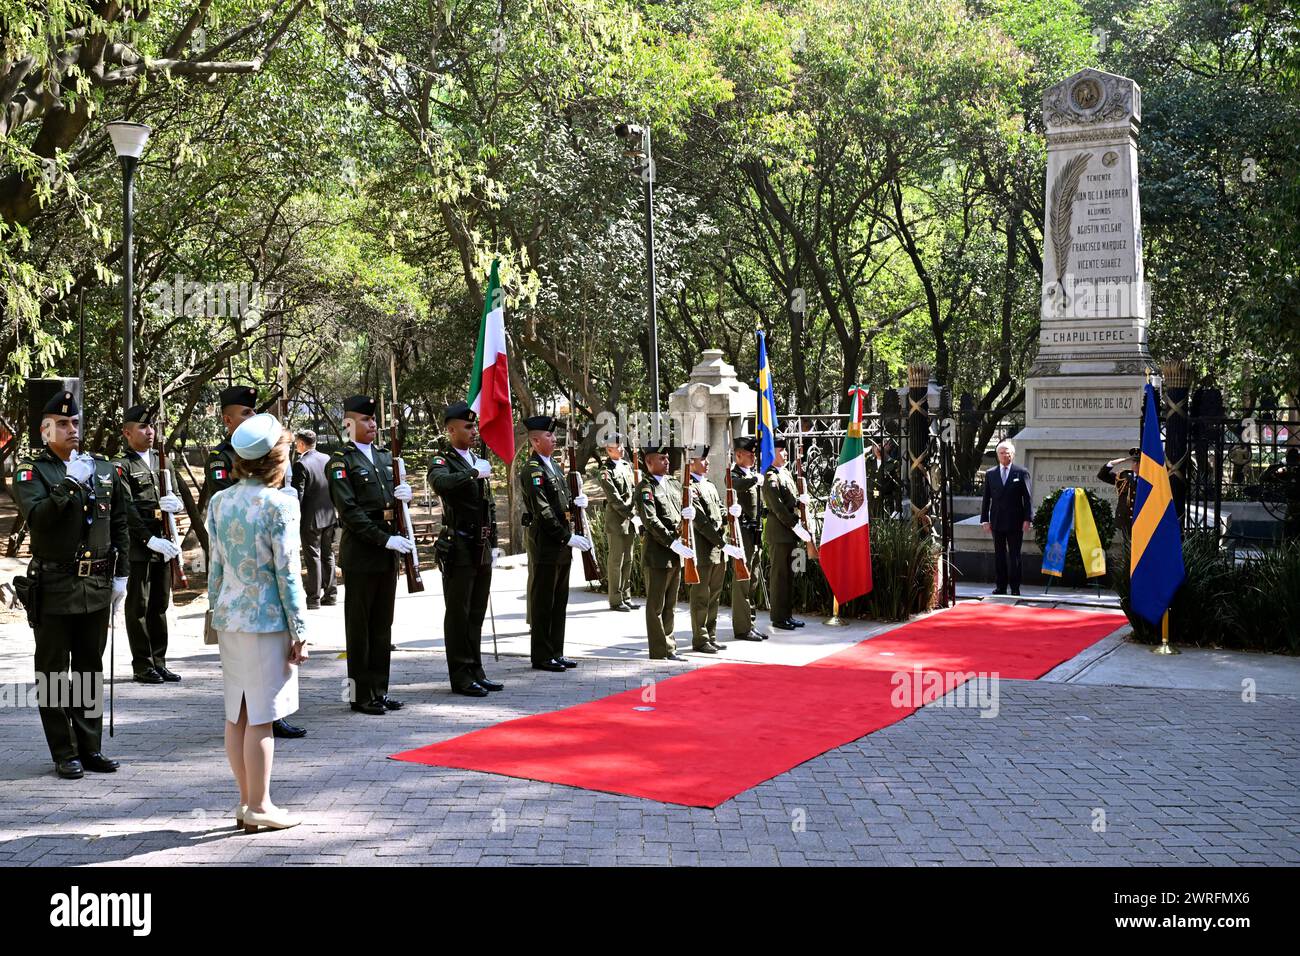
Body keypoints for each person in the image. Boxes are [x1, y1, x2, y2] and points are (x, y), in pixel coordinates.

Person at [13, 390, 130, 780]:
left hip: (95, 583)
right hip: (55, 583)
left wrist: (121, 575)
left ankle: (89, 747)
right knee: (52, 672)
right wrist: (67, 485)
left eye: (76, 422)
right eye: (63, 424)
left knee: (88, 669)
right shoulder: (32, 471)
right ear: (46, 431)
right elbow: (40, 519)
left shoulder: (100, 467)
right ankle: (64, 752)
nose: (72, 429)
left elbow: (119, 523)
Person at [206, 414, 309, 833]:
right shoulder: (281, 503)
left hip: (230, 617)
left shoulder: (220, 501)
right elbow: (288, 572)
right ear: (276, 457)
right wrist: (301, 629)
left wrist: (215, 613)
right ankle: (260, 806)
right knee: (262, 717)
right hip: (267, 620)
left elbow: (215, 568)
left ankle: (247, 802)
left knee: (238, 716)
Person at [327, 395, 413, 714]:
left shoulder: (382, 457)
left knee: (382, 625)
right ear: (349, 423)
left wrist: (405, 496)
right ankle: (359, 695)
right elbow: (349, 511)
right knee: (359, 627)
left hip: (387, 550)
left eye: (374, 419)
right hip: (363, 552)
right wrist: (384, 539)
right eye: (365, 419)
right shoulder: (340, 461)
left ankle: (379, 689)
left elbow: (390, 502)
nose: (372, 424)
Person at [428, 402, 504, 698]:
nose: (474, 431)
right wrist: (473, 473)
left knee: (476, 611)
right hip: (458, 545)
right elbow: (441, 484)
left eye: (475, 426)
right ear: (451, 430)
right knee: (458, 613)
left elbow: (489, 506)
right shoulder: (443, 460)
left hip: (480, 545)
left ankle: (476, 670)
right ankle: (460, 675)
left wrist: (495, 544)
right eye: (468, 427)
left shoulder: (477, 458)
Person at [115, 403, 184, 684]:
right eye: (142, 427)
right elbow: (127, 509)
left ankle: (160, 661)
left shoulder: (162, 460)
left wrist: (176, 504)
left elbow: (176, 494)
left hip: (164, 543)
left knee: (159, 605)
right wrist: (148, 539)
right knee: (138, 607)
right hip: (139, 546)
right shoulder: (122, 465)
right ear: (127, 433)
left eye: (151, 426)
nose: (150, 431)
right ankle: (142, 664)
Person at [518, 415, 591, 672]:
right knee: (543, 602)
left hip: (561, 545)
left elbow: (562, 501)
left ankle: (556, 651)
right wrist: (566, 536)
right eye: (549, 436)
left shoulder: (554, 467)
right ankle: (541, 655)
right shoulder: (533, 470)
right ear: (536, 441)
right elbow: (543, 510)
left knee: (559, 601)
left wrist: (576, 503)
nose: (554, 438)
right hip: (547, 544)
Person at [636, 443, 693, 661]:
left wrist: (690, 513)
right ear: (649, 462)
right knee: (656, 606)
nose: (667, 461)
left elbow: (682, 509)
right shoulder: (645, 488)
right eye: (662, 458)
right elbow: (651, 521)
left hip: (675, 552)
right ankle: (659, 652)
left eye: (667, 457)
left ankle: (670, 648)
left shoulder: (673, 484)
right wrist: (672, 542)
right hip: (658, 554)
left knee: (671, 604)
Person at [685, 445, 742, 653]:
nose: (707, 463)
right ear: (691, 462)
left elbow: (718, 510)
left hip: (718, 549)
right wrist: (723, 544)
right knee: (701, 596)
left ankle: (711, 634)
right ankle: (700, 639)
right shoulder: (690, 488)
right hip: (704, 550)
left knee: (714, 595)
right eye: (703, 460)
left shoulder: (708, 485)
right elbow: (702, 523)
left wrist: (730, 514)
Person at [763, 437, 813, 630]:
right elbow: (778, 508)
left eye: (785, 450)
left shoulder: (786, 473)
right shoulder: (770, 477)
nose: (785, 453)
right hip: (780, 532)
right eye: (781, 450)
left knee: (790, 574)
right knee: (779, 576)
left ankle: (787, 615)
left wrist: (802, 501)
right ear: (772, 453)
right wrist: (795, 526)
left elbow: (791, 501)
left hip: (791, 532)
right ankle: (778, 617)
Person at [291, 429, 338, 609]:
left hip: (310, 519)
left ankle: (314, 598)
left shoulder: (301, 464)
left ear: (302, 444)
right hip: (329, 515)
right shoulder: (328, 459)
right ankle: (331, 594)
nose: (296, 446)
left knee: (313, 558)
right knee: (328, 555)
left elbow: (298, 494)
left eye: (297, 443)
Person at [980, 439, 1033, 595]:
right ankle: (1000, 586)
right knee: (999, 555)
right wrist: (984, 520)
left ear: (1012, 455)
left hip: (1015, 521)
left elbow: (1028, 498)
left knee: (1014, 555)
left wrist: (1027, 519)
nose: (1004, 455)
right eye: (1001, 453)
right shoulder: (991, 474)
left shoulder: (1021, 472)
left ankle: (1015, 588)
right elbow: (986, 498)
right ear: (997, 455)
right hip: (996, 521)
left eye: (1007, 453)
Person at [728, 436, 767, 642]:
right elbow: (736, 485)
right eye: (750, 454)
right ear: (738, 455)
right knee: (743, 582)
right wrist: (754, 480)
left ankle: (750, 623)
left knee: (752, 582)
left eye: (754, 454)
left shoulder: (751, 474)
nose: (753, 458)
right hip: (742, 534)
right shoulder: (734, 475)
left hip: (754, 533)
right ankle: (742, 628)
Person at [595, 434, 638, 612]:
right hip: (617, 521)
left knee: (628, 559)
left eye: (621, 446)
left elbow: (634, 490)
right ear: (608, 449)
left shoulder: (627, 466)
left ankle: (626, 596)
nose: (621, 449)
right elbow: (614, 499)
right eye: (617, 447)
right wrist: (630, 514)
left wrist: (637, 511)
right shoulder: (605, 471)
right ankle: (615, 599)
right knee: (616, 562)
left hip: (630, 519)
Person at [1098, 449, 1139, 533]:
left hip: (1143, 520)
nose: (1135, 464)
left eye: (1138, 462)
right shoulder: (1123, 476)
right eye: (1133, 461)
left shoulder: (1150, 479)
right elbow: (1102, 476)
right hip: (1125, 520)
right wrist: (1111, 464)